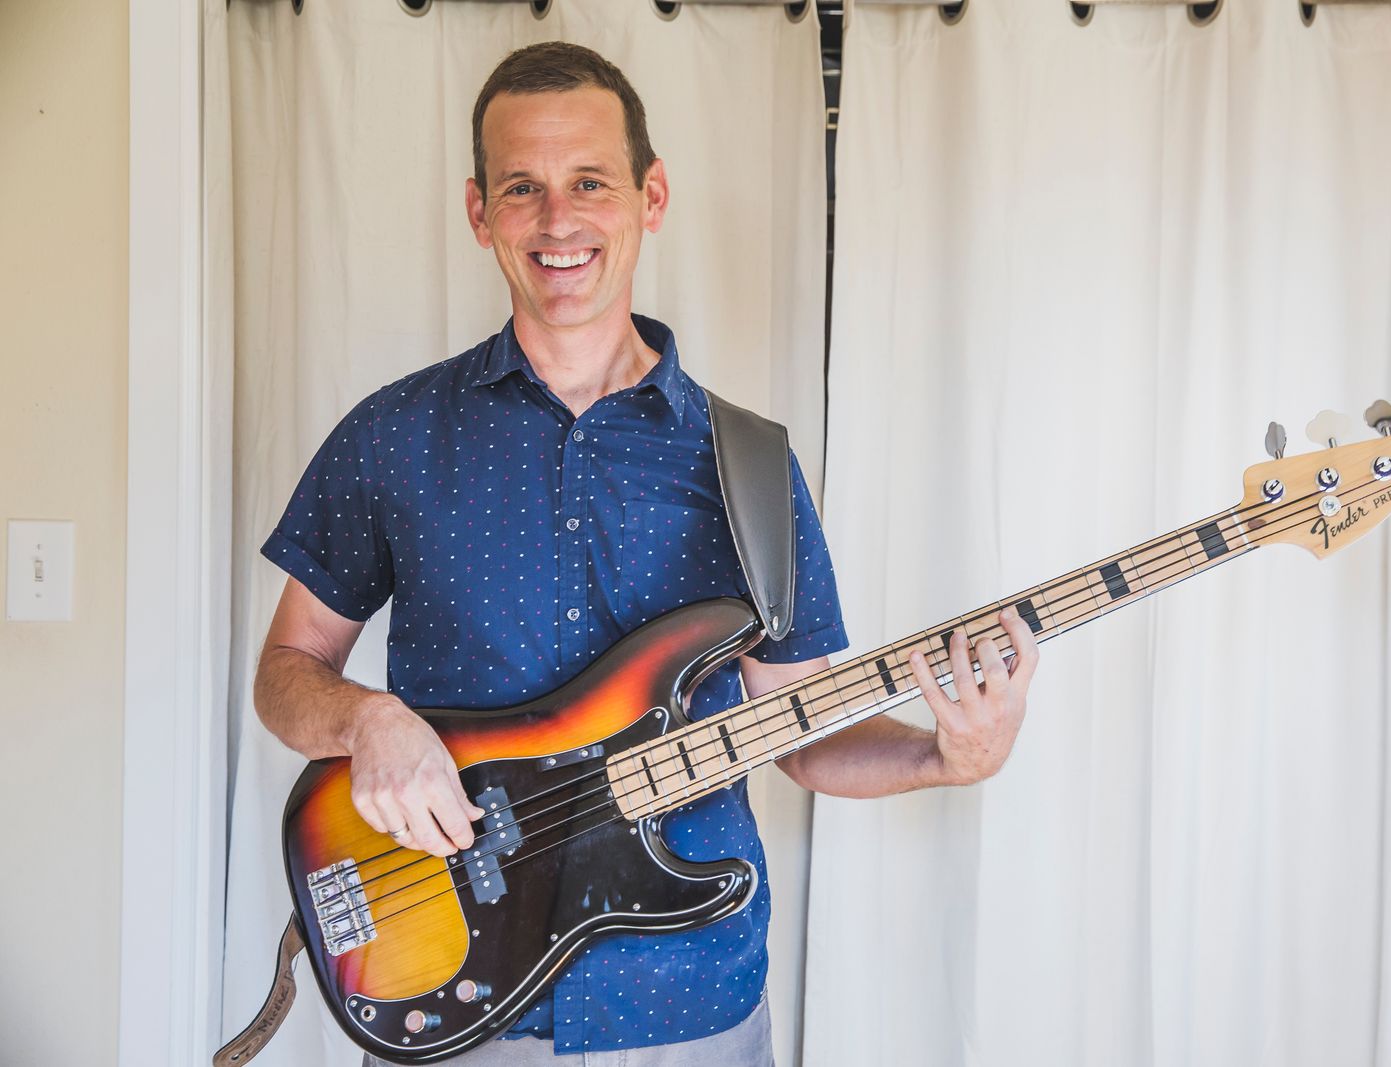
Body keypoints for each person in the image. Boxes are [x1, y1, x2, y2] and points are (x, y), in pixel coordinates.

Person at [255, 41, 1040, 1067]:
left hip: (691, 1001)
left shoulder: (749, 463)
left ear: (650, 195)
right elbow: (285, 673)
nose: (558, 220)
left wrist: (948, 756)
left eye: (590, 181)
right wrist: (368, 720)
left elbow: (801, 733)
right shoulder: (392, 434)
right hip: (459, 1003)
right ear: (479, 212)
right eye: (522, 188)